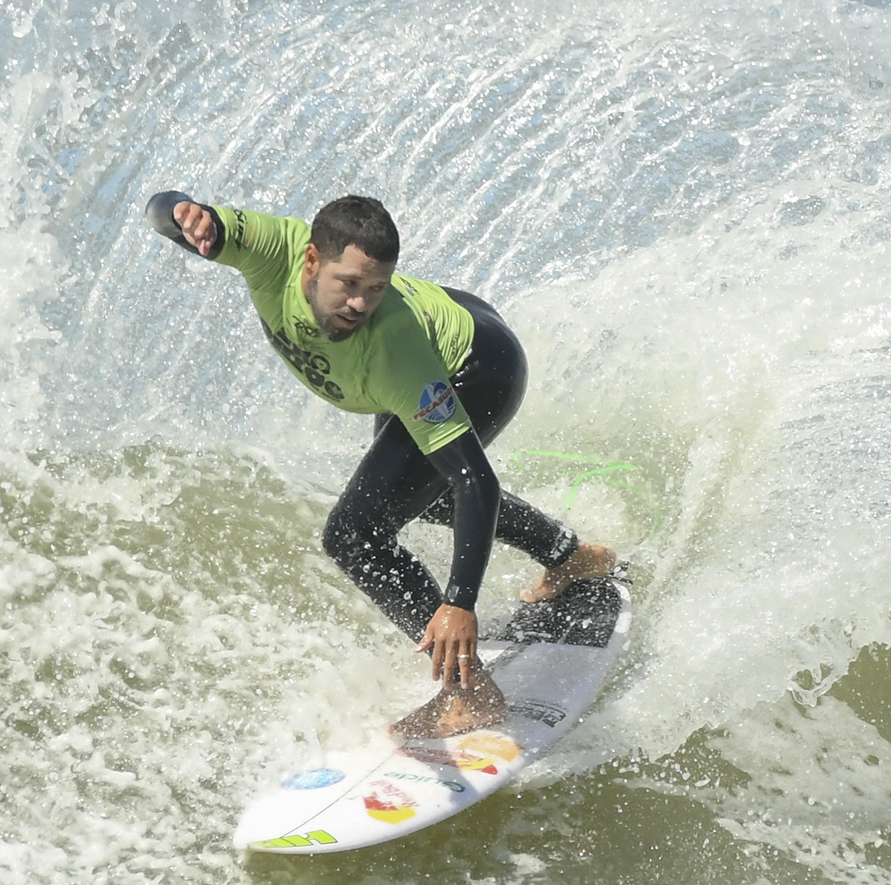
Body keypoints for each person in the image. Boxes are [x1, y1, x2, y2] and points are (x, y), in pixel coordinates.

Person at [146, 190, 616, 737]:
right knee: (423, 496)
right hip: (452, 318)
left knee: (354, 533)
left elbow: (475, 482)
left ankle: (468, 693)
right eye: (348, 284)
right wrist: (180, 211)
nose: (359, 305)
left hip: (479, 366)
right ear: (311, 261)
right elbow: (166, 215)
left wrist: (459, 604)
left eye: (375, 289)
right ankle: (570, 555)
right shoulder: (270, 249)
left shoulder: (393, 350)